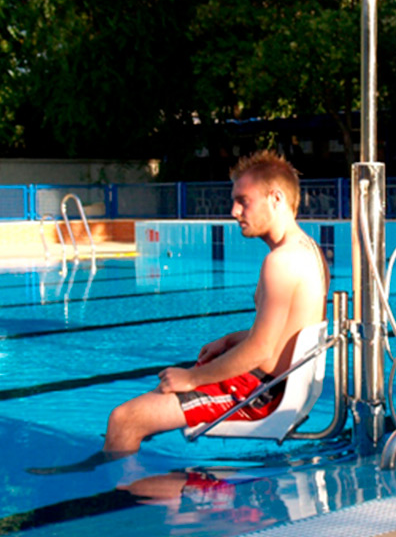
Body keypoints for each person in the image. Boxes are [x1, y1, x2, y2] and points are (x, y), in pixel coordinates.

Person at [31, 150, 329, 473]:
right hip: (269, 382)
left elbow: (262, 348)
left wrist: (193, 378)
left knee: (125, 419)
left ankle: (119, 503)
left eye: (243, 200)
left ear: (276, 197)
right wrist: (230, 340)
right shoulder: (308, 250)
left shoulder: (281, 263)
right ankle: (131, 472)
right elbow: (288, 332)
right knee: (151, 399)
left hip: (260, 392)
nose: (234, 211)